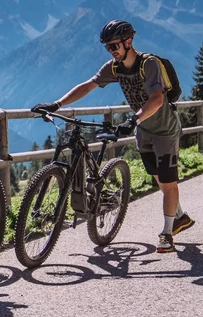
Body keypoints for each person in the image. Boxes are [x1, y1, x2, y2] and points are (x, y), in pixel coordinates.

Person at [33, 20, 194, 253]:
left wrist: (133, 120)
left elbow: (157, 98)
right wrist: (57, 104)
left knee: (168, 183)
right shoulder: (115, 67)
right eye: (108, 47)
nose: (112, 51)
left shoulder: (148, 65)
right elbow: (88, 85)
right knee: (158, 178)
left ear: (128, 42)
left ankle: (167, 233)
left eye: (115, 46)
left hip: (165, 130)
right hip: (144, 131)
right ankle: (179, 216)